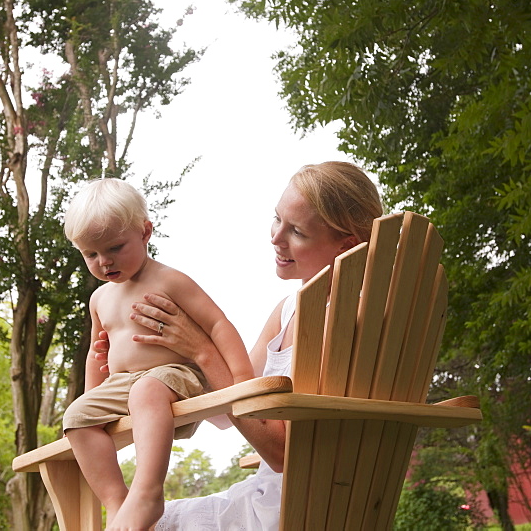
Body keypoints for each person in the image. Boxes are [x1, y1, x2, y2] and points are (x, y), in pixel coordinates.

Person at [92, 161, 383, 530]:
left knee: (136, 523)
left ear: (348, 245)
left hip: (292, 510)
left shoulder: (343, 322)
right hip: (299, 500)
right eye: (277, 219)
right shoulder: (289, 310)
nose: (276, 238)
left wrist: (203, 351)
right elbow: (221, 414)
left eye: (297, 231)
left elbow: (280, 453)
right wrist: (169, 355)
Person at [62, 178, 254, 531]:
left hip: (175, 377)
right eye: (91, 254)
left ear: (145, 232)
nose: (104, 262)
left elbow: (217, 325)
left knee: (146, 389)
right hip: (123, 385)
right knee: (75, 417)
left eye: (116, 247)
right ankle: (118, 504)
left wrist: (241, 379)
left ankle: (147, 493)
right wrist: (95, 401)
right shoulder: (99, 299)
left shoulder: (169, 280)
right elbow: (96, 354)